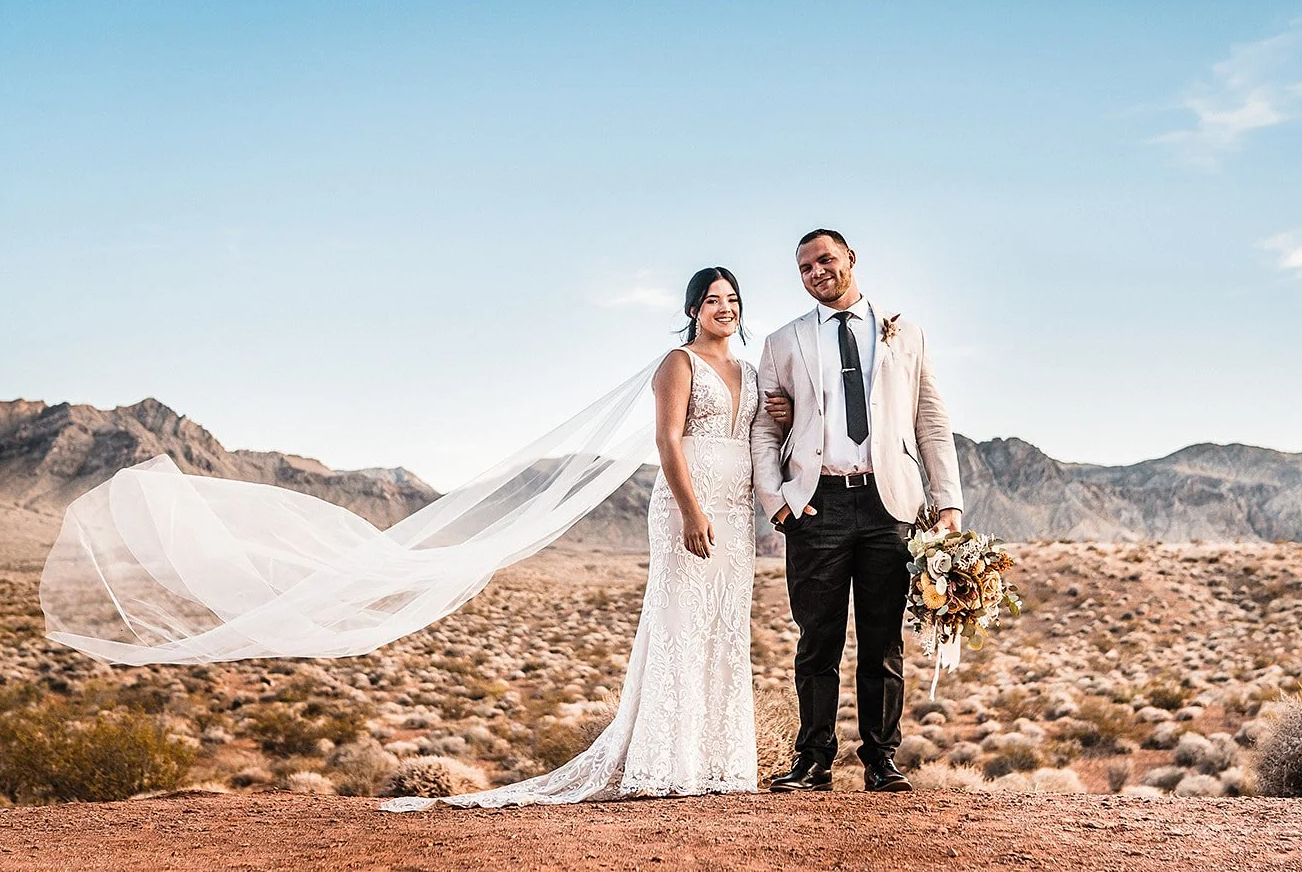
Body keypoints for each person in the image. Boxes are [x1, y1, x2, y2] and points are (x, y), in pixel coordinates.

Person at [382, 266, 792, 810]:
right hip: (685, 507)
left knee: (724, 630)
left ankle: (720, 763)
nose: (726, 308)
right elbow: (668, 441)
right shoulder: (679, 363)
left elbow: (762, 434)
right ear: (693, 309)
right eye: (713, 299)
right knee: (679, 625)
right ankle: (666, 761)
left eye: (733, 299)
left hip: (738, 515)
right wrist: (692, 512)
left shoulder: (748, 368)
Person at [751, 229, 963, 794]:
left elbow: (931, 421)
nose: (815, 271)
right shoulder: (782, 342)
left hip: (889, 504)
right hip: (815, 502)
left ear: (850, 259)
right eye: (803, 268)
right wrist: (778, 503)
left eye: (825, 260)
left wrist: (948, 503)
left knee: (882, 638)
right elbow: (766, 431)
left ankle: (880, 759)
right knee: (817, 638)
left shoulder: (905, 333)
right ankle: (814, 759)